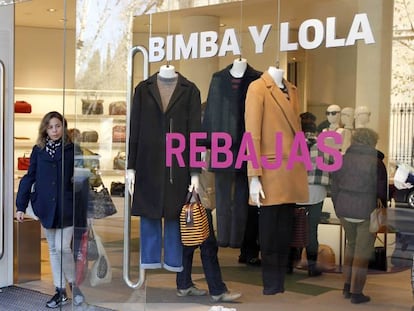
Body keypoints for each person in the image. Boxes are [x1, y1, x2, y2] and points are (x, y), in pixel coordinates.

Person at [127, 64, 200, 272]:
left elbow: (195, 132)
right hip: (147, 160)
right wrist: (131, 166)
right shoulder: (143, 89)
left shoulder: (190, 90)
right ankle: (149, 258)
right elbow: (135, 128)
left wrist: (195, 171)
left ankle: (173, 260)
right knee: (149, 211)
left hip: (178, 161)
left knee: (174, 212)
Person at [245, 66, 309, 295]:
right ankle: (271, 284)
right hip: (270, 170)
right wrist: (254, 175)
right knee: (270, 231)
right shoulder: (258, 88)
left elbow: (297, 130)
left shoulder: (293, 89)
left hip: (291, 167)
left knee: (284, 232)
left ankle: (279, 282)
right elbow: (251, 134)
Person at [16, 111, 84, 308]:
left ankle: (74, 286)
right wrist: (21, 206)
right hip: (46, 207)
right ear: (45, 129)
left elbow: (84, 178)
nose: (54, 130)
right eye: (50, 127)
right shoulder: (38, 150)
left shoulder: (73, 149)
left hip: (67, 206)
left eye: (58, 126)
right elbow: (29, 177)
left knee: (63, 247)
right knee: (53, 249)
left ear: (64, 127)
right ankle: (60, 291)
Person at [202, 58, 261, 252]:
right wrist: (207, 143)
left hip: (246, 142)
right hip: (222, 144)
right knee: (222, 196)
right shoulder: (218, 78)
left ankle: (238, 239)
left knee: (243, 196)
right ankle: (224, 237)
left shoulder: (257, 78)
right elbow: (210, 111)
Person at [176, 132, 242, 302]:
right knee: (208, 246)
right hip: (197, 204)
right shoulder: (203, 150)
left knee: (188, 245)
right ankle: (217, 290)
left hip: (188, 203)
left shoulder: (190, 146)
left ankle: (184, 284)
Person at [331, 128, 388, 304]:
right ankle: (357, 293)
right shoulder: (376, 162)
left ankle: (347, 287)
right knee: (362, 253)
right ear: (373, 142)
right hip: (366, 210)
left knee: (351, 246)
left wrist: (338, 206)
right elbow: (381, 191)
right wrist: (382, 211)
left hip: (344, 209)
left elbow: (334, 187)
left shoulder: (341, 159)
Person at [291, 113, 333, 276]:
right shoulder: (323, 145)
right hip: (317, 191)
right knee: (312, 230)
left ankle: (290, 263)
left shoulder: (292, 144)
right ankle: (312, 267)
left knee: (294, 228)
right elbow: (331, 165)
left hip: (296, 190)